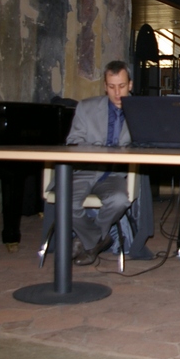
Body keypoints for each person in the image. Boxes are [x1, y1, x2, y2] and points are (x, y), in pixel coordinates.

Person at [62, 60, 134, 266]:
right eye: (111, 87)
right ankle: (95, 240)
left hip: (115, 174)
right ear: (104, 86)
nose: (117, 93)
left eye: (121, 86)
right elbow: (72, 142)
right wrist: (98, 149)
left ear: (130, 84)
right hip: (85, 171)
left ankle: (85, 242)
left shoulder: (141, 111)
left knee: (120, 200)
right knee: (67, 202)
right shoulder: (86, 108)